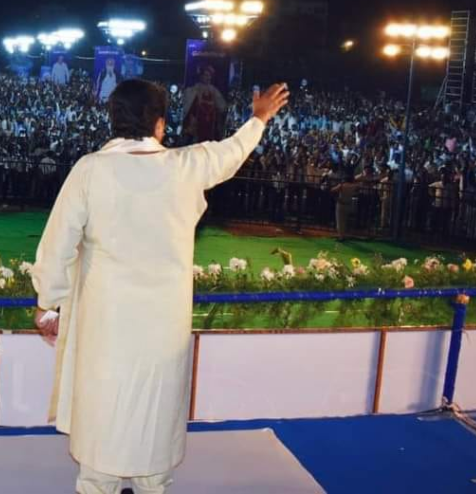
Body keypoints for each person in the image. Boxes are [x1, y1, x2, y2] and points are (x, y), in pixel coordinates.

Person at [31, 79, 288, 494]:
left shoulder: (91, 170)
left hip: (106, 324)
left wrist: (47, 305)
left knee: (103, 427)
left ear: (113, 119)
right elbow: (231, 153)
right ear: (161, 125)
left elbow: (58, 242)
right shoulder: (186, 165)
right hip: (163, 327)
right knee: (156, 424)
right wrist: (259, 118)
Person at [181, 65, 228, 143]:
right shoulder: (194, 89)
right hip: (198, 124)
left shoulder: (214, 90)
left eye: (209, 76)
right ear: (201, 76)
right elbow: (189, 106)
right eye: (206, 75)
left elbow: (222, 107)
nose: (208, 77)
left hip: (210, 125)